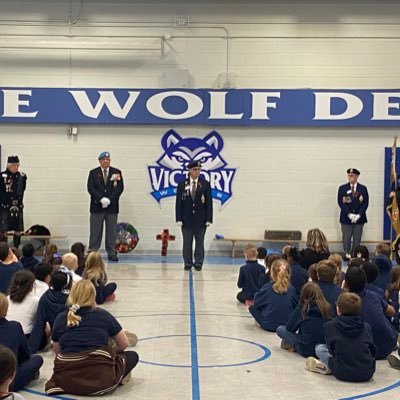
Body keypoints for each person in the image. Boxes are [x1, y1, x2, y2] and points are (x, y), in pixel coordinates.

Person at [45, 280, 139, 396]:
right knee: (132, 355)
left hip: (66, 379)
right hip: (99, 379)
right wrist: (111, 354)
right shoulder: (102, 315)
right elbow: (124, 344)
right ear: (93, 296)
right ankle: (117, 371)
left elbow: (57, 350)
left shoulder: (61, 318)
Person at [305, 292, 376, 382]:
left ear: (338, 309)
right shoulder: (366, 326)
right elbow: (373, 351)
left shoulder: (329, 326)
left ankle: (329, 368)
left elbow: (331, 351)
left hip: (342, 373)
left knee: (319, 348)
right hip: (367, 373)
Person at [344, 266, 397, 359]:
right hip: (389, 344)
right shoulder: (373, 295)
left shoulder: (345, 301)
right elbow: (392, 311)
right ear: (365, 282)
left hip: (367, 350)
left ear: (346, 284)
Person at [0, 293, 43, 392]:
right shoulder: (14, 327)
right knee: (37, 359)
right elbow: (26, 355)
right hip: (7, 383)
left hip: (7, 377)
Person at [276, 282, 332, 357]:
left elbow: (290, 327)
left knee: (280, 329)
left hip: (305, 348)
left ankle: (295, 346)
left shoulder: (303, 307)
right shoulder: (327, 307)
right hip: (322, 348)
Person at [175, 161, 212, 271]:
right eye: (195, 169)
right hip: (187, 219)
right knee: (187, 242)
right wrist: (178, 218)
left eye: (199, 169)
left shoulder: (205, 184)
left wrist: (209, 218)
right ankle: (187, 262)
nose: (197, 172)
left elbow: (209, 202)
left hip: (201, 219)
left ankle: (198, 262)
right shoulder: (182, 184)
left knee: (200, 242)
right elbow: (178, 203)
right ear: (189, 170)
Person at [87, 152, 124, 262]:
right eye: (103, 159)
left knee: (111, 232)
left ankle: (112, 252)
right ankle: (92, 252)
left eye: (107, 159)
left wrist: (109, 200)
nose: (105, 161)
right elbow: (90, 188)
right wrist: (100, 199)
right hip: (96, 207)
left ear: (110, 160)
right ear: (99, 161)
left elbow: (119, 188)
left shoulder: (116, 172)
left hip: (111, 207)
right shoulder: (93, 173)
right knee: (95, 231)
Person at [28, 269, 73, 353]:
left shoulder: (44, 298)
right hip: (72, 338)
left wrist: (31, 349)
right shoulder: (71, 298)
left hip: (56, 338)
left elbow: (39, 324)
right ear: (67, 283)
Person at [249, 259, 298, 332]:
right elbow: (296, 305)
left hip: (269, 325)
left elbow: (256, 302)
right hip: (287, 324)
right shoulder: (291, 289)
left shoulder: (267, 287)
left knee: (252, 308)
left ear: (272, 273)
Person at [337, 168, 369, 260]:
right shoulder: (342, 188)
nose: (350, 177)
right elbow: (341, 203)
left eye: (352, 175)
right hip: (346, 218)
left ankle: (355, 255)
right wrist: (349, 214)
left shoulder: (363, 188)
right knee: (346, 238)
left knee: (357, 239)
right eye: (349, 175)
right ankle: (347, 254)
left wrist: (358, 215)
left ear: (357, 176)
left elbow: (365, 203)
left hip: (359, 219)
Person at [0, 156, 27, 248]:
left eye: (17, 165)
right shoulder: (1, 176)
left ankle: (16, 249)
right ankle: (4, 250)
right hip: (5, 205)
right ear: (9, 165)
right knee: (4, 229)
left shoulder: (22, 177)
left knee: (18, 229)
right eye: (14, 165)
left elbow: (23, 190)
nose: (16, 167)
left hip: (17, 205)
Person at [6, 270, 40, 336]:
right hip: (25, 335)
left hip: (7, 332)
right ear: (31, 285)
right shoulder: (35, 301)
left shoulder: (8, 298)